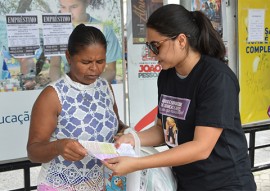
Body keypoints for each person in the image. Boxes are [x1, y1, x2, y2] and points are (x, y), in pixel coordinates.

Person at [103, 4, 257, 191]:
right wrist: (133, 138)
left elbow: (201, 147)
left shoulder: (216, 78)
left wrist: (137, 163)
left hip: (225, 183)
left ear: (181, 41)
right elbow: (163, 130)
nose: (151, 54)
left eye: (156, 46)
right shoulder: (167, 76)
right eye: (149, 46)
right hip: (187, 182)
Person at [27, 24, 127, 190]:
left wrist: (125, 133)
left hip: (101, 184)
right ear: (68, 56)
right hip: (61, 185)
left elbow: (116, 126)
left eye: (100, 61)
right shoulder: (52, 96)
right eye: (86, 62)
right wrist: (58, 147)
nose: (94, 69)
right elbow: (33, 152)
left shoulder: (105, 87)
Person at [49, 0, 122, 84]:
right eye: (63, 7)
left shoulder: (105, 30)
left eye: (74, 6)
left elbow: (110, 70)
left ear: (87, 2)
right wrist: (63, 87)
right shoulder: (57, 31)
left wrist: (91, 88)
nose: (68, 12)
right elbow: (55, 66)